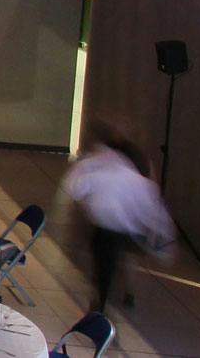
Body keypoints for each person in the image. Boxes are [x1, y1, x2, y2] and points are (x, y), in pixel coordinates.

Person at [61, 126, 176, 312]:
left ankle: (101, 300)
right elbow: (152, 207)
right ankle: (124, 292)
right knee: (124, 258)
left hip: (105, 228)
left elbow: (75, 188)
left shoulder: (99, 168)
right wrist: (161, 240)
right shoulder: (136, 176)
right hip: (127, 228)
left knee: (103, 265)